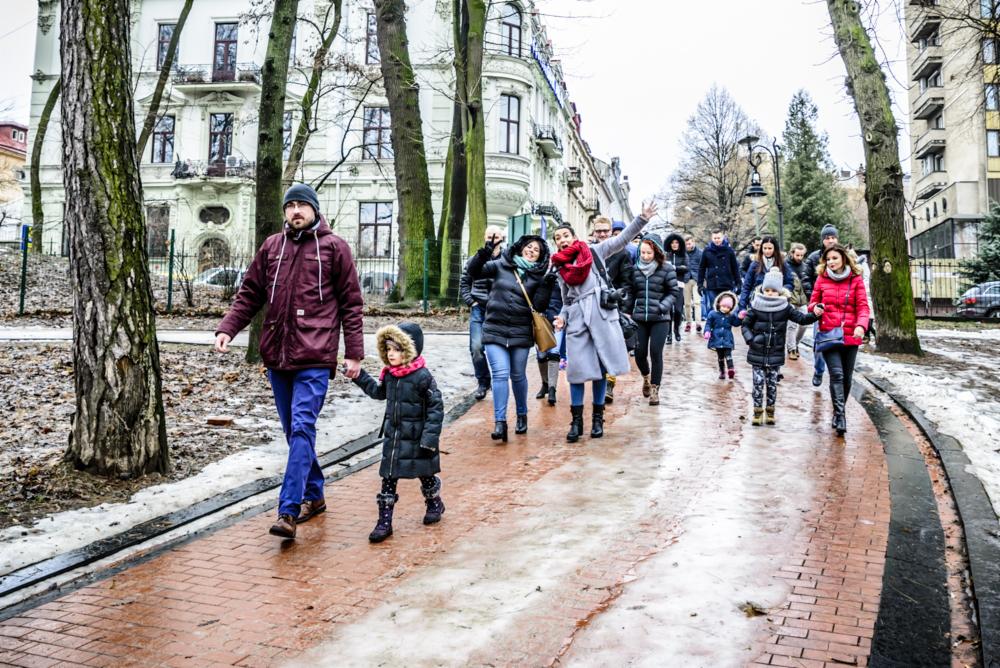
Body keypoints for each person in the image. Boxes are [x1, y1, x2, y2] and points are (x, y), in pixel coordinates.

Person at [214, 183, 364, 540]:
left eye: (302, 205)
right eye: (291, 205)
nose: (296, 211)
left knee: (301, 429)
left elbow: (351, 305)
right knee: (294, 432)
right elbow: (250, 292)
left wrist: (354, 352)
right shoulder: (271, 247)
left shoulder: (334, 248)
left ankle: (288, 510)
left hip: (315, 355)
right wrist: (228, 329)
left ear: (314, 209)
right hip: (278, 355)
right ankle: (314, 494)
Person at [552, 202, 658, 442]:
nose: (562, 240)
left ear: (575, 237)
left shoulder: (593, 251)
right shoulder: (559, 267)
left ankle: (598, 419)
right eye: (558, 237)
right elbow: (566, 300)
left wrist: (641, 219)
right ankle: (576, 421)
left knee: (601, 370)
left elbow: (620, 241)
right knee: (576, 372)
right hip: (578, 320)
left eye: (566, 235)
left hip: (601, 315)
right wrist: (562, 317)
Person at [352, 323, 444, 543]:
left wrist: (429, 438)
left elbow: (436, 407)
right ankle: (385, 522)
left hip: (418, 439)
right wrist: (359, 376)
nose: (391, 354)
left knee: (426, 475)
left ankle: (434, 503)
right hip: (393, 439)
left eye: (397, 349)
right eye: (388, 349)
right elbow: (377, 392)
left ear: (410, 350)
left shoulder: (423, 377)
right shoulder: (390, 375)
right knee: (388, 480)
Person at [466, 233, 556, 442]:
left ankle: (522, 415)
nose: (532, 251)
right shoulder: (500, 265)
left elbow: (540, 306)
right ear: (521, 247)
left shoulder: (537, 276)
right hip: (495, 330)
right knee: (500, 374)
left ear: (540, 257)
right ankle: (500, 422)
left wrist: (547, 284)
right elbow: (474, 271)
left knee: (517, 376)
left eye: (537, 251)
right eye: (529, 247)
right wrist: (487, 250)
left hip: (520, 332)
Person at [742, 269, 822, 426]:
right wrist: (750, 339)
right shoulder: (756, 305)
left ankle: (770, 411)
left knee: (772, 383)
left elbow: (802, 318)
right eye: (767, 290)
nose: (770, 293)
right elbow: (746, 325)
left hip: (775, 351)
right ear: (763, 289)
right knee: (757, 383)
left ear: (779, 292)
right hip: (757, 351)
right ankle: (757, 412)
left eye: (773, 290)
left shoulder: (785, 307)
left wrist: (815, 314)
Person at [809, 244, 870, 436]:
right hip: (829, 333)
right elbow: (812, 303)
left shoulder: (855, 279)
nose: (831, 262)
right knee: (836, 374)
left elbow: (863, 307)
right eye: (828, 259)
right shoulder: (822, 278)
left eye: (835, 258)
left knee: (847, 377)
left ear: (844, 258)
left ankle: (837, 410)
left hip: (851, 333)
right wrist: (815, 308)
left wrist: (861, 325)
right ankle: (841, 416)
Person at [622, 233, 680, 405]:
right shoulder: (634, 269)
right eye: (643, 253)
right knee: (639, 354)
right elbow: (630, 292)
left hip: (660, 318)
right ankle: (646, 377)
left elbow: (673, 292)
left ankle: (655, 389)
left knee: (656, 353)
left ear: (657, 252)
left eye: (649, 253)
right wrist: (627, 311)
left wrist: (663, 306)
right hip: (639, 317)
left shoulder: (667, 269)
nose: (645, 256)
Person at [460, 226, 505, 401]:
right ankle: (483, 382)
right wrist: (471, 301)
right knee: (476, 347)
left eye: (497, 236)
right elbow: (464, 282)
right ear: (484, 237)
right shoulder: (474, 260)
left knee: (499, 348)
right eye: (489, 236)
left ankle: (498, 380)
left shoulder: (507, 260)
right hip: (479, 309)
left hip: (499, 309)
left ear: (502, 237)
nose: (493, 239)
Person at [593, 216, 631, 404]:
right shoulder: (587, 252)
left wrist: (624, 309)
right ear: (593, 232)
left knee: (610, 348)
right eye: (598, 231)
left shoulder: (622, 254)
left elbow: (627, 282)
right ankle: (598, 381)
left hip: (613, 306)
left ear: (611, 232)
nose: (601, 234)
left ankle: (609, 384)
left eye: (605, 231)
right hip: (592, 307)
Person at [804, 225, 841, 386]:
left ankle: (837, 375)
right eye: (827, 238)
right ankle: (819, 371)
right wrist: (814, 299)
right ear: (823, 240)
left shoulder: (844, 256)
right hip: (822, 307)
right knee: (820, 342)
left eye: (833, 237)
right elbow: (806, 278)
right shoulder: (814, 258)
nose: (830, 240)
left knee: (842, 342)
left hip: (841, 307)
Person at [737, 234, 794, 312]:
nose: (767, 251)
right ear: (761, 248)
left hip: (777, 303)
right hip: (757, 303)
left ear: (775, 249)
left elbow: (790, 283)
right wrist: (742, 307)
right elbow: (747, 286)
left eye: (770, 248)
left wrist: (780, 292)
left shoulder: (782, 264)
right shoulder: (755, 264)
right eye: (765, 248)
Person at [698, 228, 741, 310]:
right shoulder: (707, 251)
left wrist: (738, 283)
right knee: (713, 308)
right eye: (715, 238)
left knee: (727, 308)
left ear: (723, 238)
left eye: (718, 238)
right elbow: (702, 268)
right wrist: (700, 284)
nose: (717, 240)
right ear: (712, 238)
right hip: (712, 284)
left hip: (727, 284)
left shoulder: (729, 251)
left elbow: (735, 268)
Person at [703, 291, 741, 379]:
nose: (725, 309)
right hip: (716, 338)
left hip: (727, 338)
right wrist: (707, 331)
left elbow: (735, 323)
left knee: (728, 354)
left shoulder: (731, 316)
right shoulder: (713, 314)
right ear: (719, 304)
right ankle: (722, 372)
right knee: (720, 357)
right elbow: (708, 324)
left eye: (728, 307)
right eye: (724, 306)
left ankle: (731, 369)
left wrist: (740, 318)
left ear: (731, 308)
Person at [785, 242, 810, 360]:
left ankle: (795, 343)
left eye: (802, 255)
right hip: (790, 299)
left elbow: (808, 283)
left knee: (804, 324)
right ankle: (791, 349)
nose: (800, 258)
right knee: (791, 325)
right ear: (792, 253)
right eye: (797, 255)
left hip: (803, 300)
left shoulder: (805, 266)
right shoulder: (785, 266)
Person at [665, 233, 688, 342]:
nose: (674, 245)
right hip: (667, 286)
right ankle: (668, 334)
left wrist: (674, 267)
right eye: (672, 243)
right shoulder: (666, 255)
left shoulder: (683, 255)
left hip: (679, 285)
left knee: (678, 310)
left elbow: (686, 268)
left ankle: (676, 330)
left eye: (677, 242)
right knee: (668, 310)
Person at [683, 235, 704, 333]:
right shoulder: (682, 253)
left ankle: (698, 323)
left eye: (689, 243)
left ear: (693, 242)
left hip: (697, 279)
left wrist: (703, 281)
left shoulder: (700, 253)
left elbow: (704, 267)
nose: (688, 245)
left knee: (697, 302)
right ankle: (688, 323)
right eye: (686, 244)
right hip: (685, 280)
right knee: (687, 303)